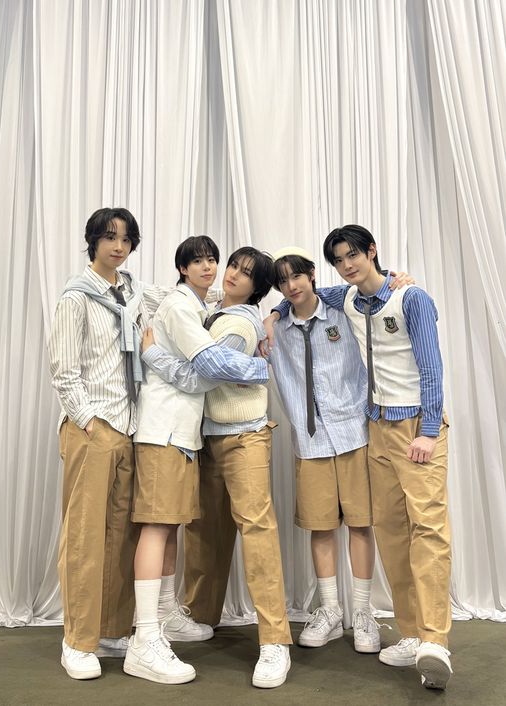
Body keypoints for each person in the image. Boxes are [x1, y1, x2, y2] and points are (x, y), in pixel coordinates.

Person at [140, 246, 293, 689]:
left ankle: (274, 641)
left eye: (247, 274)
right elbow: (160, 295)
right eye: (233, 266)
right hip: (206, 437)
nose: (232, 275)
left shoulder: (238, 322)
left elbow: (207, 371)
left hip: (244, 437)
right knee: (203, 532)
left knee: (256, 532)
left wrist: (260, 368)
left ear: (256, 287)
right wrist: (277, 316)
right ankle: (198, 616)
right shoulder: (209, 309)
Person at [323, 225, 452, 690]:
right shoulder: (348, 299)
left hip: (417, 427)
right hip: (376, 428)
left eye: (353, 255)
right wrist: (277, 311)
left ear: (372, 251)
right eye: (339, 260)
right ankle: (412, 632)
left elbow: (432, 367)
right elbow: (305, 292)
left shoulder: (410, 298)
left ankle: (435, 640)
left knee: (429, 529)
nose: (347, 265)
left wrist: (429, 432)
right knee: (392, 532)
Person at [48, 207, 175, 680]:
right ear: (93, 241)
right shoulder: (76, 297)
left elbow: (185, 299)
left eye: (125, 239)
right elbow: (64, 371)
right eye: (109, 237)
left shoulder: (134, 290)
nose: (118, 246)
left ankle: (112, 629)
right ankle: (77, 641)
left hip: (131, 425)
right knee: (84, 537)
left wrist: (273, 310)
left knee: (122, 534)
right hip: (94, 427)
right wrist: (86, 421)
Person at [268, 246, 381, 655]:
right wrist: (275, 314)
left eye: (296, 276)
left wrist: (399, 279)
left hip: (353, 433)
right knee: (320, 526)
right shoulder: (276, 330)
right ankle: (330, 609)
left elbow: (366, 290)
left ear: (312, 274)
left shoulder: (343, 311)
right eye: (282, 282)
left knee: (361, 523)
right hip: (310, 439)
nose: (291, 286)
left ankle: (364, 612)